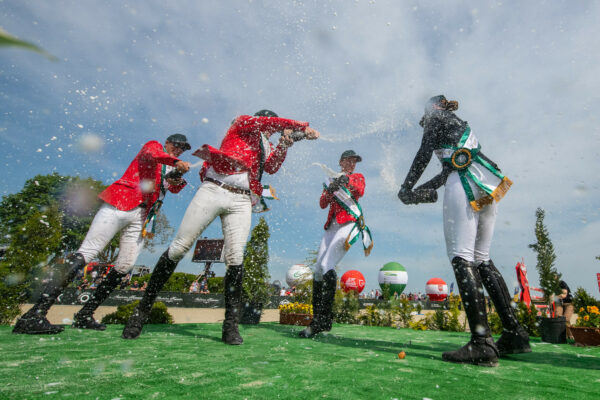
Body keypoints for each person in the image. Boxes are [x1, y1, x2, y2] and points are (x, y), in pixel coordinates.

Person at [122, 110, 320, 344]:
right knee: (179, 247)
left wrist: (285, 144)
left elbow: (272, 167)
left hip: (242, 199)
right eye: (271, 126)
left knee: (235, 257)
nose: (271, 130)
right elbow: (268, 122)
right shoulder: (244, 123)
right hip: (214, 189)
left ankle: (230, 326)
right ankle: (140, 313)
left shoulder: (264, 143)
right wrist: (300, 126)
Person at [12, 134, 192, 334]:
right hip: (121, 203)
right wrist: (176, 162)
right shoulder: (154, 147)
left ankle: (85, 314)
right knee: (88, 251)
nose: (178, 150)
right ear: (167, 143)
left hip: (142, 215)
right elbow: (153, 154)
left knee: (125, 265)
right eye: (176, 145)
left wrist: (176, 176)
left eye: (182, 149)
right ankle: (35, 314)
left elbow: (173, 189)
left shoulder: (168, 167)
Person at [398, 95, 530, 367]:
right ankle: (515, 332)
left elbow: (423, 154)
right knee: (481, 258)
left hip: (465, 183)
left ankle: (482, 343)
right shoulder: (456, 125)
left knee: (461, 256)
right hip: (486, 182)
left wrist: (405, 187)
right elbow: (447, 172)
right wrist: (421, 191)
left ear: (432, 107)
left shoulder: (435, 118)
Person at [299, 150, 372, 338]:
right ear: (341, 161)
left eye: (355, 161)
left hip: (348, 222)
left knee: (326, 264)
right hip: (331, 225)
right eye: (349, 160)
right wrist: (331, 190)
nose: (352, 163)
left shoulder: (357, 176)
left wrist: (345, 181)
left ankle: (325, 318)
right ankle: (318, 319)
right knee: (317, 270)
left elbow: (360, 190)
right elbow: (323, 203)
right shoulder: (331, 179)